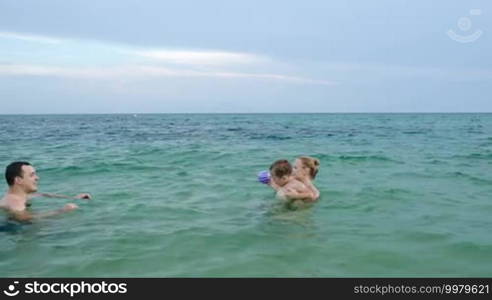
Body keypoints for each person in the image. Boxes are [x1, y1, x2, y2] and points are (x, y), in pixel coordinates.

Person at [0, 161, 91, 222]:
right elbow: (25, 218)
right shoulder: (14, 202)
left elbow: (43, 194)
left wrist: (74, 197)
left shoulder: (21, 196)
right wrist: (62, 210)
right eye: (32, 175)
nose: (37, 178)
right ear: (18, 180)